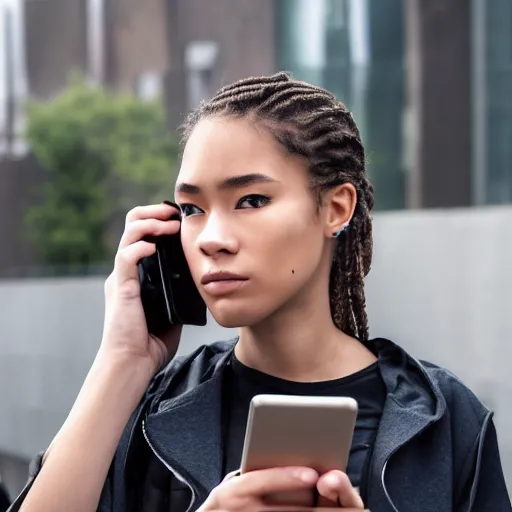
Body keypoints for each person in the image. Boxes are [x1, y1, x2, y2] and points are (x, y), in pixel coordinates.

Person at [9, 72, 511, 512]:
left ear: (336, 208)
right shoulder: (153, 410)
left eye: (250, 200)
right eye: (190, 209)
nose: (211, 239)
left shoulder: (445, 420)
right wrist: (121, 362)